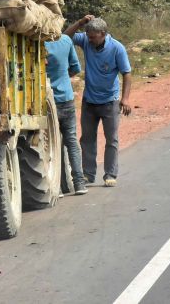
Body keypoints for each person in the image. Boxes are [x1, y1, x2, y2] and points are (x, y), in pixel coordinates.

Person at [65, 15, 132, 188]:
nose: (90, 40)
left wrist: (125, 99)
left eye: (93, 37)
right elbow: (66, 37)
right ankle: (88, 174)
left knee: (111, 139)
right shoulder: (87, 41)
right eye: (88, 36)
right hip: (89, 101)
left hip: (110, 102)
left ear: (102, 34)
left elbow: (127, 73)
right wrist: (80, 23)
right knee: (87, 139)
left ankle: (110, 174)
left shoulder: (117, 48)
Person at [45, 33, 87, 195]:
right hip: (66, 98)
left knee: (52, 145)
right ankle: (79, 184)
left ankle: (59, 187)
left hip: (47, 102)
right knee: (71, 141)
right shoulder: (66, 40)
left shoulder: (37, 43)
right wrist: (62, 76)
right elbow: (75, 68)